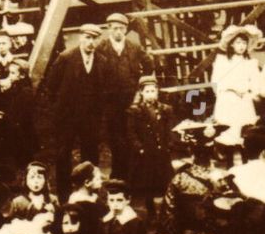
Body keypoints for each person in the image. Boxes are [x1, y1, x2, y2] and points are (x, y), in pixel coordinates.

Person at [46, 23, 113, 194]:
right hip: (66, 117)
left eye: (95, 39)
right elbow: (51, 87)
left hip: (90, 118)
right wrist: (59, 110)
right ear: (80, 37)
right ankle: (64, 193)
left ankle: (89, 191)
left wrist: (98, 116)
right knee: (63, 155)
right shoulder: (66, 58)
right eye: (88, 38)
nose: (91, 42)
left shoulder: (102, 61)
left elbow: (104, 91)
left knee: (90, 153)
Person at [98, 12, 152, 178]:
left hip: (130, 99)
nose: (118, 32)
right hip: (110, 101)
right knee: (115, 137)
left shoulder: (133, 46)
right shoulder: (102, 47)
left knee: (132, 135)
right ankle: (119, 173)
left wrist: (141, 84)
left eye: (122, 28)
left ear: (126, 29)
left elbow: (149, 64)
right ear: (109, 29)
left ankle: (135, 174)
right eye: (115, 28)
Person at [212, 25, 264, 152]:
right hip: (229, 97)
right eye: (238, 43)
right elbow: (216, 81)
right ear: (231, 45)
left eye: (244, 43)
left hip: (244, 98)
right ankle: (227, 154)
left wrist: (251, 92)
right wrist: (227, 92)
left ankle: (245, 156)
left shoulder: (250, 63)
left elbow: (255, 81)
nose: (241, 46)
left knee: (244, 129)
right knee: (229, 130)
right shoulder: (223, 61)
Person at [126, 76, 174, 209]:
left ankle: (165, 212)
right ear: (141, 92)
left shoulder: (165, 109)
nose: (150, 94)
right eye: (147, 91)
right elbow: (131, 133)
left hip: (162, 152)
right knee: (148, 185)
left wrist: (169, 144)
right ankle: (151, 213)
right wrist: (140, 148)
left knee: (164, 182)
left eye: (153, 91)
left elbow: (169, 130)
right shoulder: (135, 111)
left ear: (157, 92)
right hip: (146, 154)